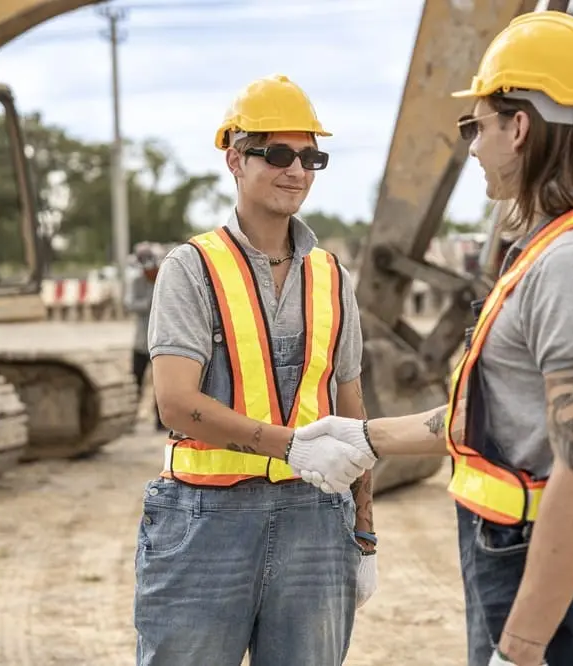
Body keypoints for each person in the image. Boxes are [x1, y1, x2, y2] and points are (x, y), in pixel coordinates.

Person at [285, 12, 573, 666]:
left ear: (519, 127)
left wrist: (520, 649)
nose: (473, 146)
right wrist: (369, 437)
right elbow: (501, 413)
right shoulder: (548, 248)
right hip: (534, 551)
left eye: (476, 125)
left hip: (552, 562)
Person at [133, 73, 377, 666]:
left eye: (311, 156)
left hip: (318, 524)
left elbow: (352, 407)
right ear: (234, 159)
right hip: (205, 523)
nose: (297, 169)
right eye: (279, 153)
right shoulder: (191, 269)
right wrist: (289, 447)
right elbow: (175, 402)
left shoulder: (332, 276)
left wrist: (364, 530)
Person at [126, 243, 166, 431]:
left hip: (161, 342)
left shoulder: (165, 279)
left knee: (162, 384)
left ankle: (161, 421)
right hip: (141, 342)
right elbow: (131, 304)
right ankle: (129, 420)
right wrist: (150, 301)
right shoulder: (136, 282)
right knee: (136, 382)